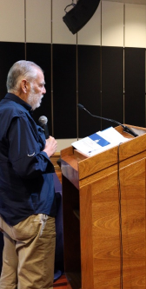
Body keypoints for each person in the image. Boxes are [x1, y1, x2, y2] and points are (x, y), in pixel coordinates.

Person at [0, 60, 58, 288]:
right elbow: (27, 167)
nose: (44, 91)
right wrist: (46, 152)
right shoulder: (19, 116)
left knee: (9, 280)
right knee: (35, 284)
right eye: (41, 85)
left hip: (9, 213)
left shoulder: (3, 110)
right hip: (31, 215)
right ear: (24, 85)